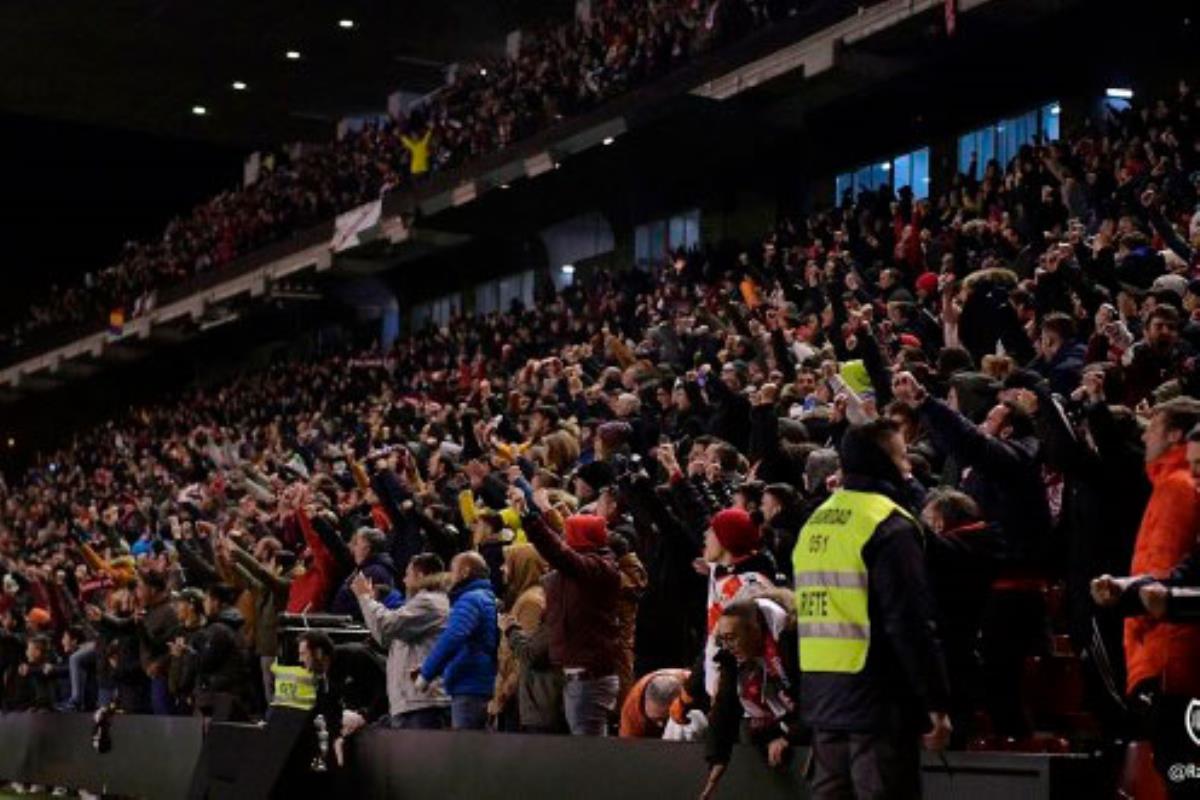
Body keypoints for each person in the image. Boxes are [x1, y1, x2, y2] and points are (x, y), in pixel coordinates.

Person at [794, 419, 952, 800]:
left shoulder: (816, 521)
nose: (908, 466)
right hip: (876, 697)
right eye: (901, 456)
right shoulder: (888, 524)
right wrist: (935, 701)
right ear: (882, 461)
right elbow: (909, 622)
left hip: (822, 693)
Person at [1091, 399, 1200, 788]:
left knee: (1182, 774)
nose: (1143, 434)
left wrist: (1142, 601)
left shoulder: (1177, 487)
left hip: (1171, 660)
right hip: (1163, 655)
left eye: (1152, 427)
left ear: (1174, 435)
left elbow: (1169, 574)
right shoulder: (1168, 485)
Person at [519, 489, 622, 736]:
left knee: (589, 756)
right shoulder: (582, 569)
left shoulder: (598, 569)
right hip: (578, 678)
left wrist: (529, 517)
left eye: (569, 536)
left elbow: (559, 552)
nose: (564, 540)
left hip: (589, 680)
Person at [700, 597, 803, 800]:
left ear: (755, 631)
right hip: (771, 723)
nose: (727, 646)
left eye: (731, 638)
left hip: (814, 724)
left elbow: (814, 698)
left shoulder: (791, 641)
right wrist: (717, 758)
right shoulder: (732, 652)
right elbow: (725, 705)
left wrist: (791, 737)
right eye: (723, 639)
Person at [353, 552, 452, 730]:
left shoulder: (429, 602)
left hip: (423, 704)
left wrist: (365, 597)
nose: (404, 581)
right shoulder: (424, 602)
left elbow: (385, 628)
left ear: (420, 576)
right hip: (414, 702)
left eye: (407, 575)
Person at [416, 552, 498, 730]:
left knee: (466, 751)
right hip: (481, 684)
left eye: (453, 570)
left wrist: (426, 674)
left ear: (465, 572)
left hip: (469, 687)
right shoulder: (487, 597)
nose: (449, 576)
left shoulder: (471, 599)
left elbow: (453, 637)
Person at [700, 507, 776, 700]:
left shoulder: (745, 586)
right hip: (726, 691)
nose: (706, 535)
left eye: (712, 530)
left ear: (726, 539)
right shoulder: (726, 577)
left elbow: (733, 650)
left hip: (742, 698)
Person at [619, 667, 691, 738]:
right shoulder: (631, 711)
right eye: (655, 719)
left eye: (666, 718)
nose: (660, 725)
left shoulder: (694, 686)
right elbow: (628, 747)